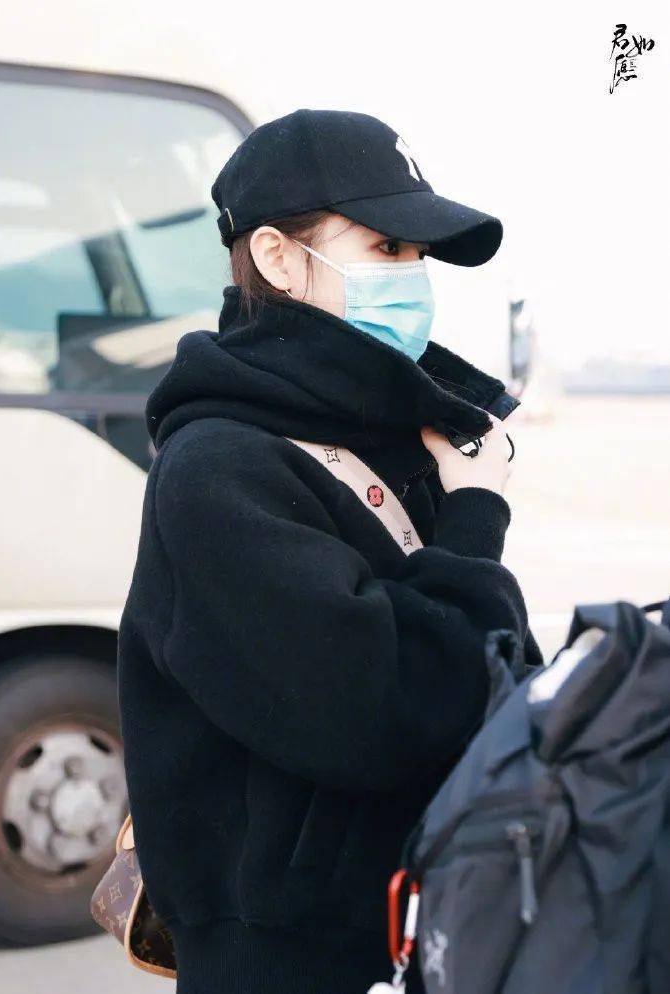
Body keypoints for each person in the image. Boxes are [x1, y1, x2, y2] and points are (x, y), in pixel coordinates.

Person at [116, 108, 544, 994]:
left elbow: (489, 679)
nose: (413, 275)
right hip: (288, 957)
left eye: (419, 254)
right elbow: (389, 708)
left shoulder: (400, 432)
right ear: (278, 259)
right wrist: (475, 516)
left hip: (419, 925)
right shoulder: (218, 468)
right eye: (386, 247)